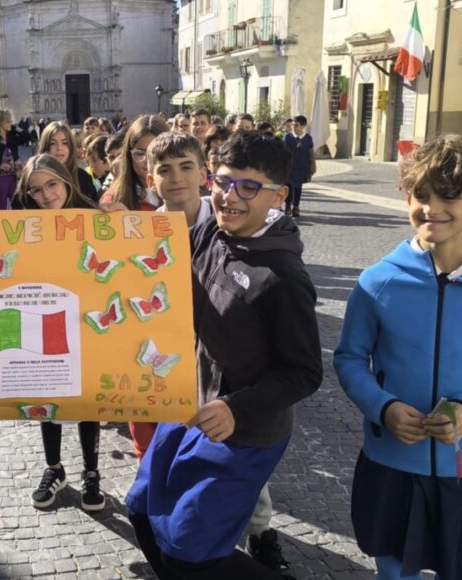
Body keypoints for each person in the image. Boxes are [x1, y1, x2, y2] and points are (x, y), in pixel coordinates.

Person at [334, 134, 462, 580]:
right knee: (392, 572)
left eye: (449, 196)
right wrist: (383, 407)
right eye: (421, 194)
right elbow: (350, 359)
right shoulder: (377, 281)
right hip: (390, 462)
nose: (431, 208)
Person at [126, 131, 322, 579]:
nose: (230, 197)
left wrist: (235, 407)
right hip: (187, 407)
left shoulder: (284, 277)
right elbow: (162, 268)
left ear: (279, 195)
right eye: (223, 181)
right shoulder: (212, 229)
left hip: (242, 432)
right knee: (141, 509)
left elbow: (305, 373)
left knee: (189, 553)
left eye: (248, 187)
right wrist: (122, 232)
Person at [9, 154, 105, 512]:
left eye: (51, 184)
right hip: (43, 317)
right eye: (36, 190)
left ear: (66, 181)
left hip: (86, 320)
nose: (46, 195)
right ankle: (54, 467)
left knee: (87, 398)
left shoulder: (95, 216)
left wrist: (124, 220)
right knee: (46, 396)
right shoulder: (23, 225)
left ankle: (91, 471)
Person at [101, 115, 170, 211]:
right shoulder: (114, 198)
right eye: (140, 153)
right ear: (129, 156)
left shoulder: (182, 191)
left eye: (155, 153)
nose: (147, 160)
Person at [37, 121, 100, 204]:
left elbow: (94, 210)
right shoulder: (35, 178)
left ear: (71, 147)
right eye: (53, 143)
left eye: (65, 143)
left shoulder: (83, 178)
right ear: (45, 147)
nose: (59, 148)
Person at [283, 115, 313, 218]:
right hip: (289, 168)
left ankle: (296, 206)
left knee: (298, 188)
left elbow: (311, 155)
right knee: (289, 187)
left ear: (303, 126)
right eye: (292, 125)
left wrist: (311, 169)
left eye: (296, 125)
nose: (293, 127)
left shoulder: (308, 138)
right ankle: (287, 206)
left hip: (301, 167)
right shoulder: (287, 137)